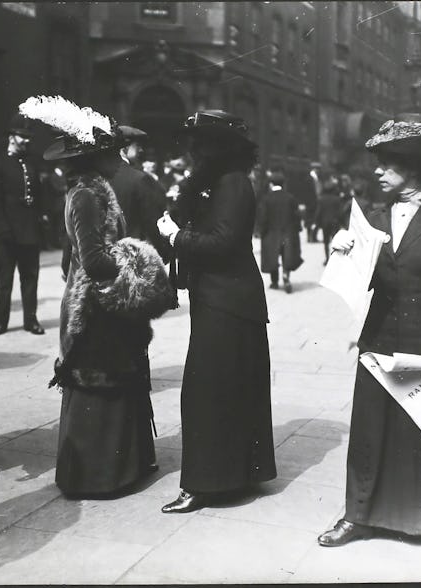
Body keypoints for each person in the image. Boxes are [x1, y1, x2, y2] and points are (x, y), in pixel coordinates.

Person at [319, 113, 421, 551]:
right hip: (380, 339)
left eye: (387, 165)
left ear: (412, 167)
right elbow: (360, 280)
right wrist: (341, 253)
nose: (377, 172)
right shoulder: (371, 217)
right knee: (370, 431)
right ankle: (357, 516)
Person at [19, 95, 168, 497]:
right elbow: (93, 260)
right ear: (91, 158)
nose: (115, 157)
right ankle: (98, 475)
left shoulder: (92, 188)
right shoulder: (86, 194)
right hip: (95, 303)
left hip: (98, 300)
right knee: (100, 378)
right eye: (107, 151)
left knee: (113, 376)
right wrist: (135, 260)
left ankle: (119, 468)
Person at [157, 110, 277, 513]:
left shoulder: (233, 184)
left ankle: (205, 484)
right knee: (227, 390)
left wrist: (177, 236)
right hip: (222, 299)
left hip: (229, 301)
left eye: (202, 143)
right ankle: (236, 475)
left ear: (220, 147)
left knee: (206, 393)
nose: (194, 151)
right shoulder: (219, 182)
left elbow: (223, 242)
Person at [0, 113, 48, 335]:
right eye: (23, 136)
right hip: (6, 234)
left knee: (30, 279)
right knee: (4, 281)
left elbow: (39, 197)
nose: (27, 141)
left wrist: (39, 222)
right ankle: (0, 321)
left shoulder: (31, 164)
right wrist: (3, 229)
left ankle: (30, 320)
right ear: (11, 137)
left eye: (29, 137)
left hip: (29, 232)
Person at [110, 125, 170, 256]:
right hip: (131, 256)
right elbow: (152, 222)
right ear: (124, 148)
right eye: (137, 146)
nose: (141, 150)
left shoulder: (98, 176)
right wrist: (164, 252)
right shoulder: (139, 179)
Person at [257, 166, 303, 293]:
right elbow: (297, 215)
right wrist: (297, 229)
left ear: (271, 184)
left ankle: (275, 281)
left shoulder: (266, 199)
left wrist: (262, 231)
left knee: (272, 256)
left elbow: (264, 217)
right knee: (286, 255)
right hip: (287, 232)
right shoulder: (290, 198)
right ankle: (286, 276)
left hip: (272, 233)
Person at [312, 174, 344, 265]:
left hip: (325, 223)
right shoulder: (337, 199)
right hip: (335, 222)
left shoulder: (321, 199)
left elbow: (318, 212)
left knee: (326, 242)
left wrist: (317, 222)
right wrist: (341, 222)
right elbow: (340, 212)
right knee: (335, 241)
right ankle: (336, 258)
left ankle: (327, 259)